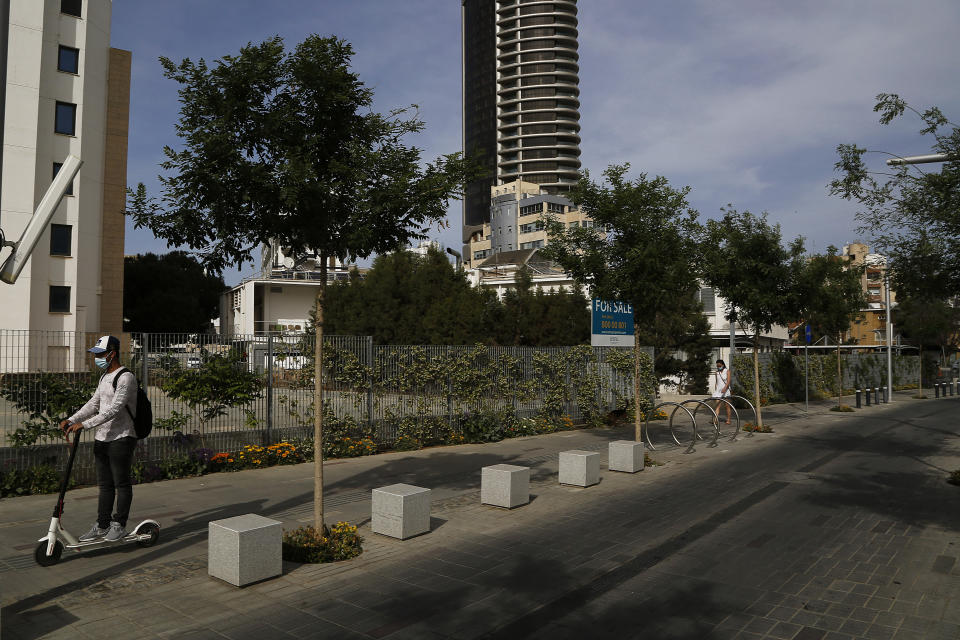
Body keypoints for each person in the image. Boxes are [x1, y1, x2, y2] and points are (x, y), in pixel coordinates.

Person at [60, 335, 138, 542]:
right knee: (105, 485)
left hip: (122, 437)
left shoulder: (126, 377)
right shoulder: (104, 377)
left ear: (112, 353)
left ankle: (119, 524)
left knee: (121, 483)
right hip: (102, 437)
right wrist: (71, 419)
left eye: (100, 354)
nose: (97, 358)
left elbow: (114, 409)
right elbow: (94, 403)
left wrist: (84, 425)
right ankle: (102, 525)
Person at [711, 358, 732, 425]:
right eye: (717, 366)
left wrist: (725, 388)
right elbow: (717, 382)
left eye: (720, 366)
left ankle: (728, 419)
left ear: (723, 365)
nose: (719, 367)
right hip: (719, 391)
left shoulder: (727, 371)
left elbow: (728, 381)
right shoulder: (716, 373)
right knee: (717, 406)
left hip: (726, 391)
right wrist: (716, 390)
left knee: (727, 406)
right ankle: (715, 419)